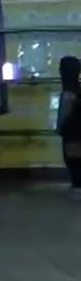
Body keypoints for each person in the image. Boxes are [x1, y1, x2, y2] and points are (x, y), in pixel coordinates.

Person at [59, 56, 81, 197]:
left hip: (71, 133)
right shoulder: (76, 91)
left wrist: (61, 129)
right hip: (76, 132)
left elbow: (64, 116)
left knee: (73, 162)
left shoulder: (69, 94)